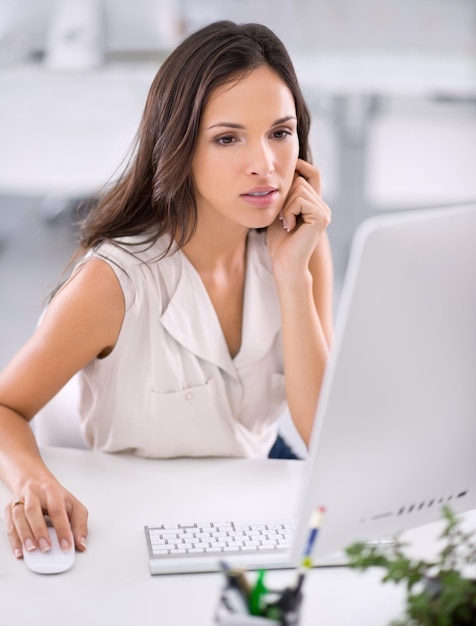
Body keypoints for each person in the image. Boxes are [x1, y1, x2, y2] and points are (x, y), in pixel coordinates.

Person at [0, 21, 333, 560]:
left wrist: (293, 277)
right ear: (179, 147)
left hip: (243, 496)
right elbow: (5, 407)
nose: (265, 164)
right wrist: (31, 479)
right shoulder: (113, 281)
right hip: (132, 512)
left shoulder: (304, 244)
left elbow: (324, 434)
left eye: (280, 132)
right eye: (228, 138)